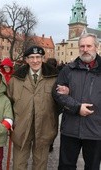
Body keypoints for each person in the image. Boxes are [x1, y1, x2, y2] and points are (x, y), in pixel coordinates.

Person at [52, 33, 101, 170]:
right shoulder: (69, 69)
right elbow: (56, 92)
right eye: (82, 46)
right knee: (66, 166)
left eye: (89, 46)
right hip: (71, 129)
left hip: (95, 130)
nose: (85, 49)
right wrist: (77, 107)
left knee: (92, 167)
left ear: (96, 47)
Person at [7, 45, 59, 170]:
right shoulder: (16, 78)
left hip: (45, 125)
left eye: (38, 57)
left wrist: (52, 116)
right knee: (19, 163)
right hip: (21, 126)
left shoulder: (54, 77)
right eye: (31, 57)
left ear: (43, 58)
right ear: (26, 59)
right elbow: (8, 102)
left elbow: (61, 102)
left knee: (40, 163)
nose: (35, 61)